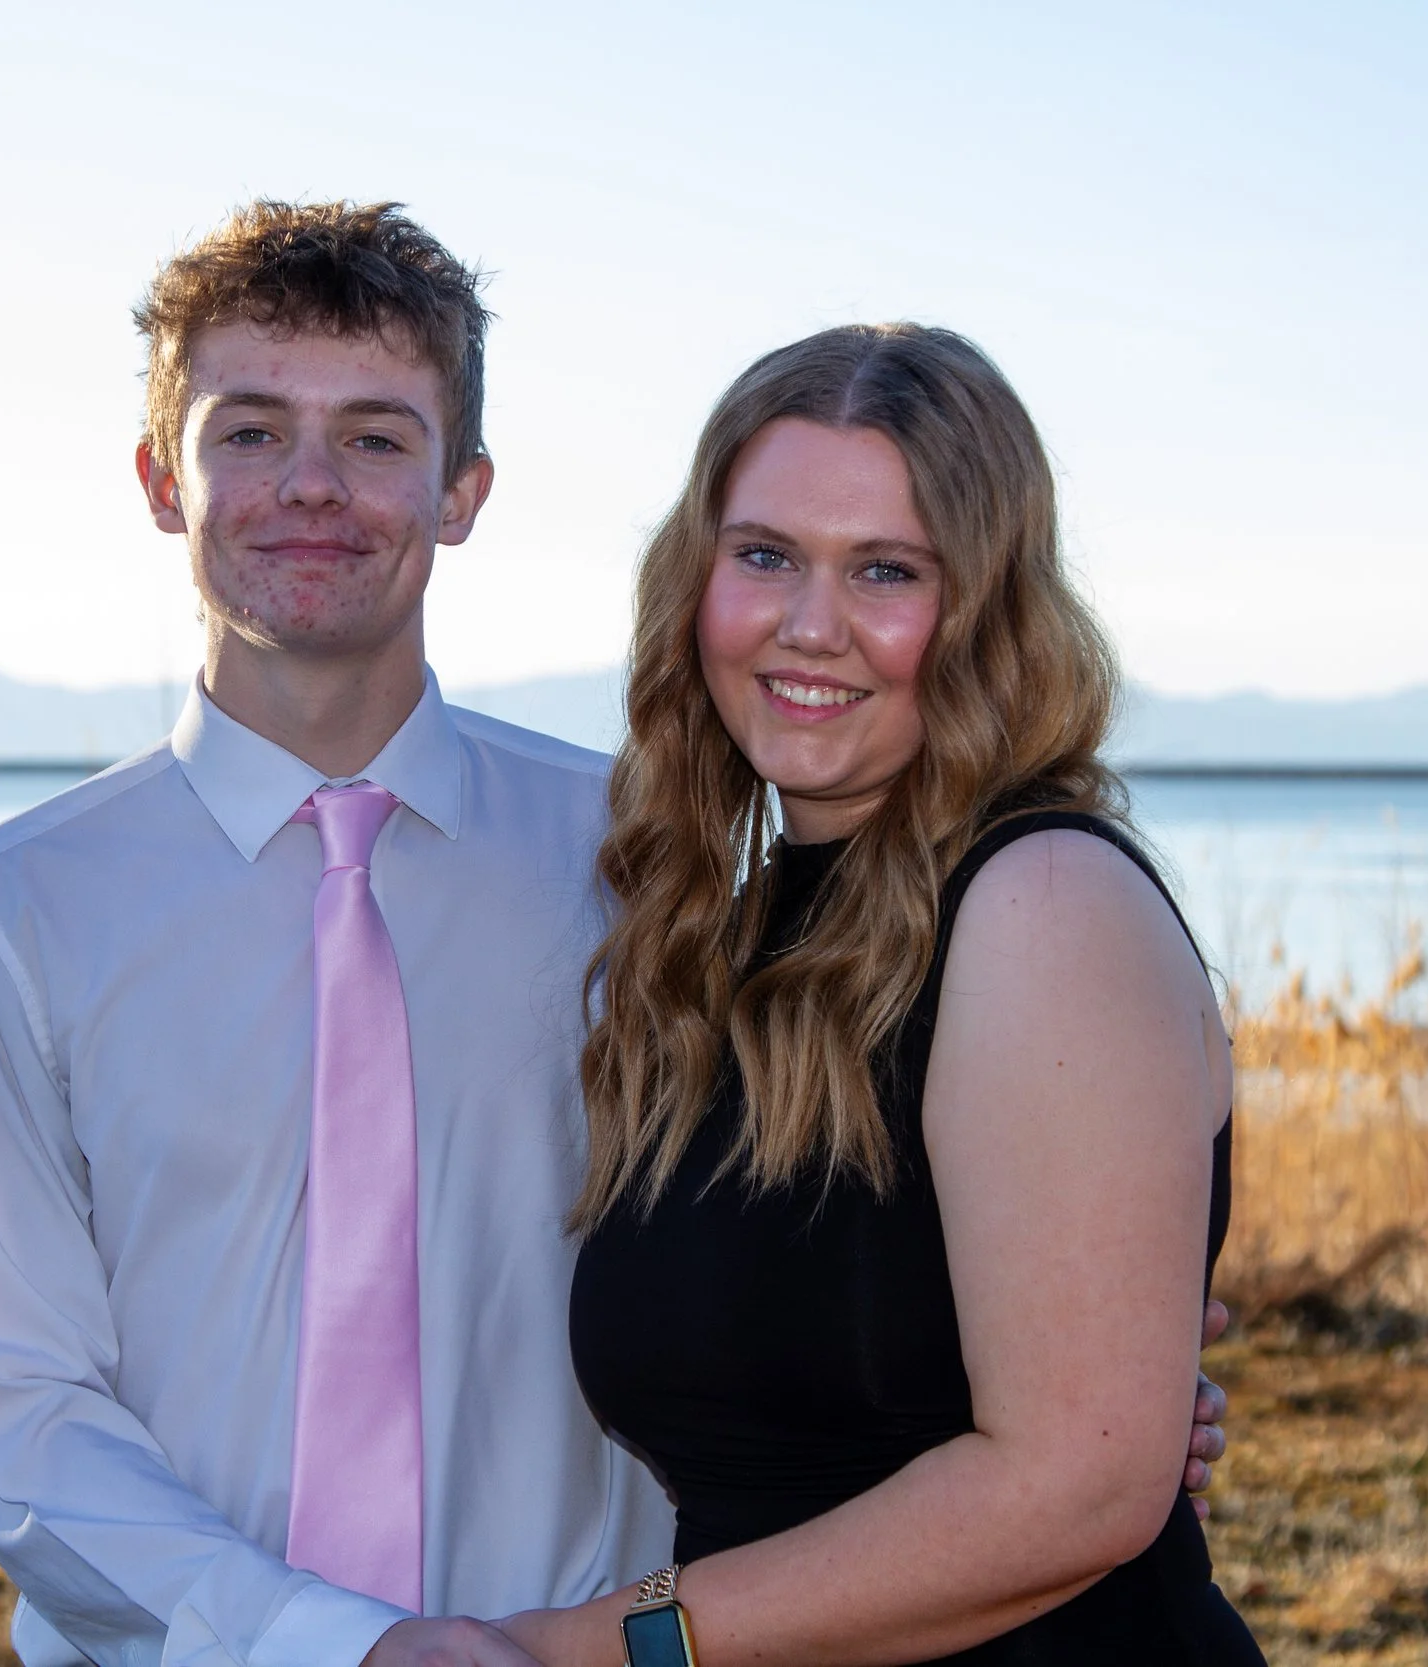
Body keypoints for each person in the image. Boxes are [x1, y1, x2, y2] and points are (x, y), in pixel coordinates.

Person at [0, 202, 1234, 1667]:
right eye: (250, 431)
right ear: (164, 478)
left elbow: (993, 1368)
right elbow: (19, 1410)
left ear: (463, 489)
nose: (311, 486)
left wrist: (1083, 1390)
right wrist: (328, 1644)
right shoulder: (7, 914)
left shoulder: (638, 865)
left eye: (377, 437)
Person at [507, 325, 1263, 1664]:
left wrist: (590, 1645)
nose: (810, 624)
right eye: (764, 555)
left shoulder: (1039, 905)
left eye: (885, 572)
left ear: (986, 607)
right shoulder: (735, 930)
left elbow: (1075, 1487)